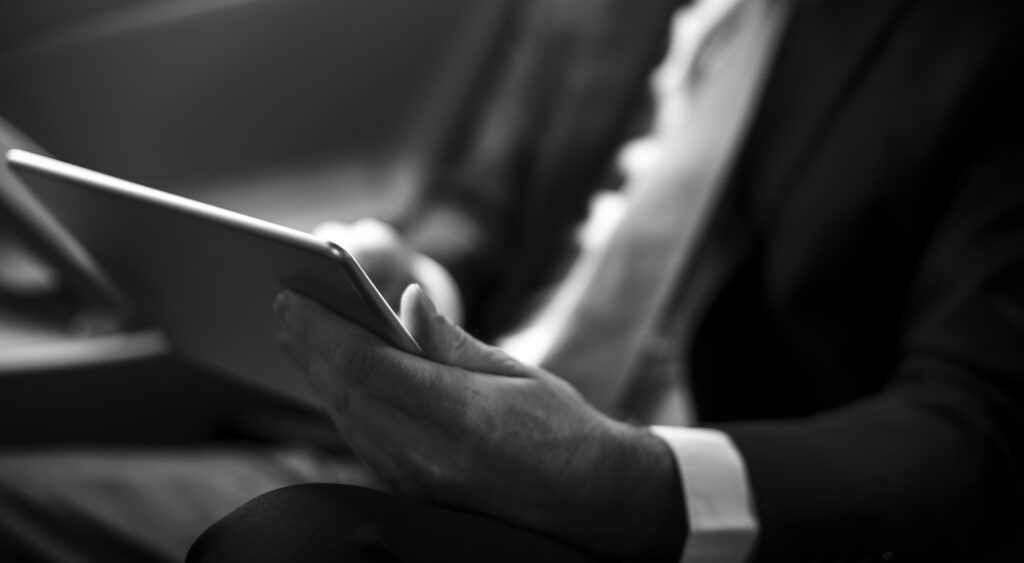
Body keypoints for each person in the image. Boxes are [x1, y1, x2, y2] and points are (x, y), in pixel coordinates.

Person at [186, 0, 1024, 562]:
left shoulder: (983, 40)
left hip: (679, 521)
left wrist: (630, 482)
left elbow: (972, 430)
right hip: (416, 447)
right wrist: (417, 277)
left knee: (283, 542)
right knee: (49, 500)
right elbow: (479, 205)